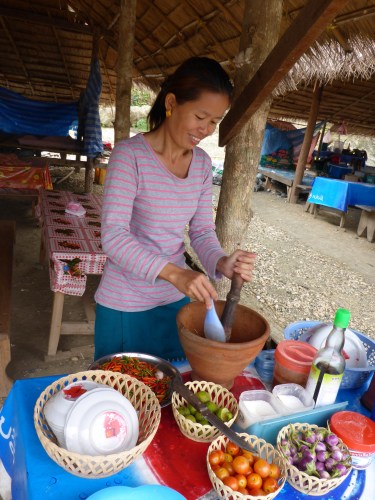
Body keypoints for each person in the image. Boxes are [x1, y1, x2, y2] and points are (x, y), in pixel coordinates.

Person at [94, 57, 256, 361]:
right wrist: (175, 274)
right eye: (200, 116)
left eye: (214, 122)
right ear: (171, 103)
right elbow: (114, 237)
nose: (205, 130)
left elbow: (202, 231)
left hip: (175, 302)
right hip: (126, 303)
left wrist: (222, 263)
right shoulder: (130, 157)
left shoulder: (202, 165)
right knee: (123, 395)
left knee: (170, 391)